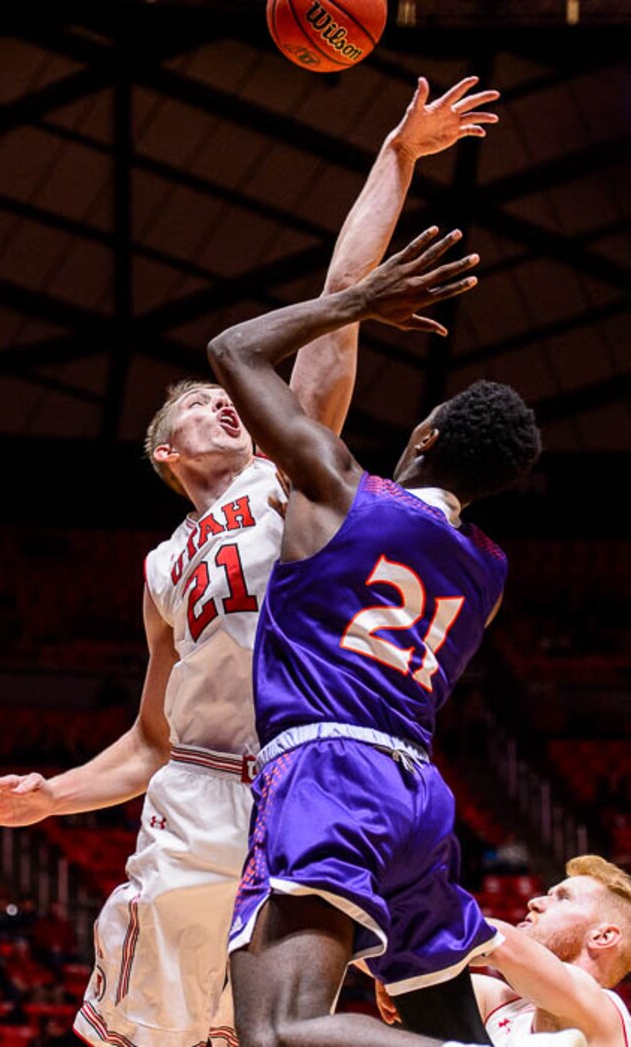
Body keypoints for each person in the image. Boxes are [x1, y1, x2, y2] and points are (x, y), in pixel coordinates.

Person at [0, 76, 502, 1047]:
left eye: (222, 403)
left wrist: (396, 158)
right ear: (166, 456)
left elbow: (334, 316)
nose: (217, 406)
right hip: (198, 800)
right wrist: (55, 795)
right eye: (188, 412)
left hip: (302, 787)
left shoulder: (287, 485)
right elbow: (150, 740)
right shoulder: (162, 567)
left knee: (268, 1034)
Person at [207, 232, 544, 1046]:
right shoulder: (489, 572)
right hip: (417, 793)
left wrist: (356, 302)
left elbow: (231, 349)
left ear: (425, 436)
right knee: (444, 1025)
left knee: (281, 1030)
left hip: (327, 770)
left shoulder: (340, 485)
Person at [376, 854, 631, 1046]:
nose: (535, 902)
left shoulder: (602, 1011)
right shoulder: (499, 1003)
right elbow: (371, 950)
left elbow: (500, 943)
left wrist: (406, 949)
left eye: (563, 897)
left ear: (603, 936)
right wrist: (397, 967)